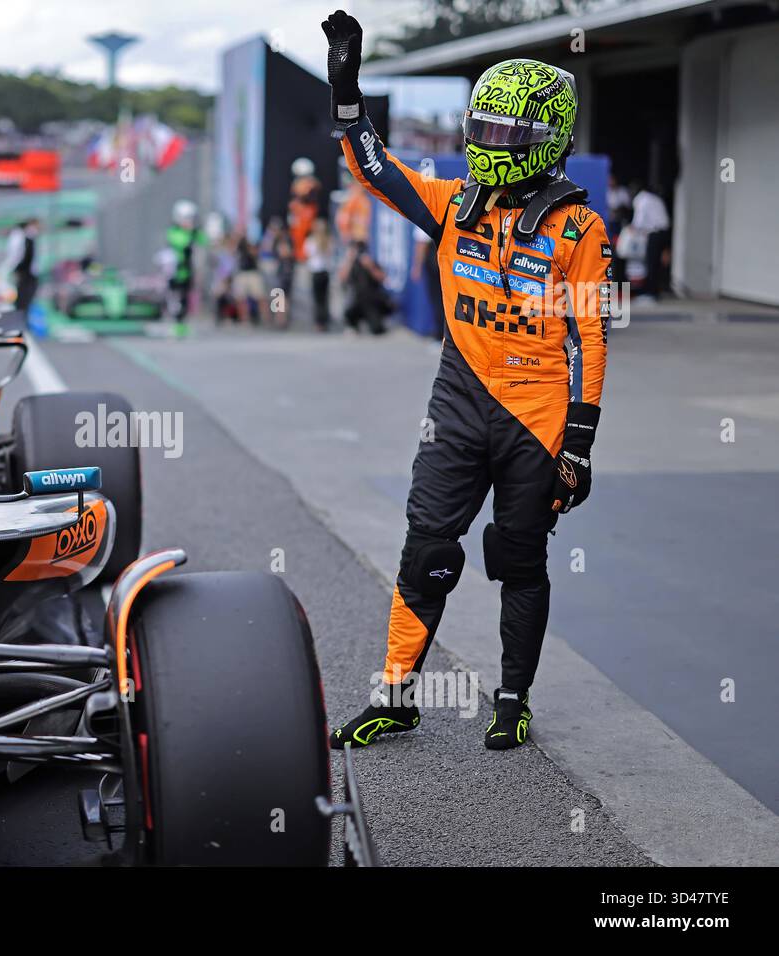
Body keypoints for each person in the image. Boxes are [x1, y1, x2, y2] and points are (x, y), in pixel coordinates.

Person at [321, 10, 612, 750]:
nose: (491, 146)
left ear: (548, 139)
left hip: (536, 418)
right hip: (457, 405)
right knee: (427, 549)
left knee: (518, 558)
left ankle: (513, 699)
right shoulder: (453, 203)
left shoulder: (581, 231)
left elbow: (589, 341)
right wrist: (347, 94)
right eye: (483, 129)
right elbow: (375, 170)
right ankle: (394, 696)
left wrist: (577, 447)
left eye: (509, 135)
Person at [630, 181, 671, 300]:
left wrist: (633, 228)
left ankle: (651, 292)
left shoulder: (640, 199)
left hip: (655, 233)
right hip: (664, 231)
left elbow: (639, 220)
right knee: (658, 263)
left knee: (651, 263)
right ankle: (656, 290)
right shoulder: (653, 198)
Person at [166, 200, 205, 320]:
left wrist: (195, 231)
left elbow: (204, 240)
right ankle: (176, 325)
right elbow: (181, 242)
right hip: (175, 271)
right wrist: (190, 232)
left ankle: (182, 325)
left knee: (185, 298)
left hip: (188, 270)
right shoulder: (174, 231)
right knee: (175, 299)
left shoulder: (193, 232)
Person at [0, 218, 40, 313]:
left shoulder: (25, 237)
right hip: (22, 273)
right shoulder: (22, 237)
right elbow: (18, 256)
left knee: (21, 298)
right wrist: (18, 270)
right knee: (19, 298)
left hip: (23, 273)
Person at [304, 218, 334, 331]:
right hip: (325, 272)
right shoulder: (328, 240)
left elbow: (307, 254)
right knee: (324, 297)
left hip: (316, 272)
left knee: (318, 299)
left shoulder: (311, 241)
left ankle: (319, 322)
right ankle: (324, 321)